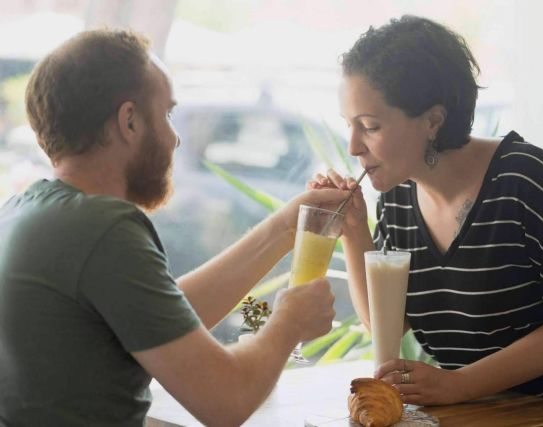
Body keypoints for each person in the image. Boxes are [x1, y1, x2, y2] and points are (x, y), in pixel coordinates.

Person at [0, 29, 356, 426]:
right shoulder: (103, 229)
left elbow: (163, 316)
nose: (175, 138)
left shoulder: (27, 212)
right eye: (167, 114)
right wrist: (288, 322)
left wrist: (285, 228)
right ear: (129, 121)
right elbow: (226, 401)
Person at [310, 15, 543, 426]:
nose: (354, 146)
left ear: (433, 120)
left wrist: (460, 384)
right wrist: (354, 229)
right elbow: (386, 324)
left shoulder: (526, 179)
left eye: (370, 126)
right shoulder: (397, 197)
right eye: (349, 126)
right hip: (496, 414)